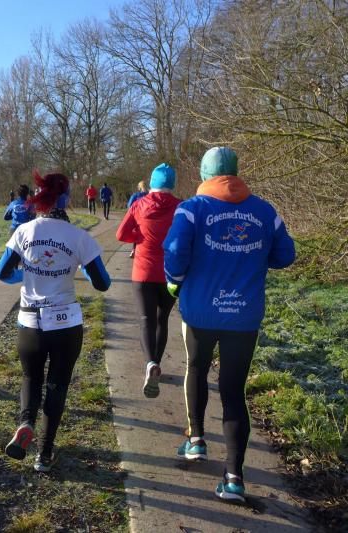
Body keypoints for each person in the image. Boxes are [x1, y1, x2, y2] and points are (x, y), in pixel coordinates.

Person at [164, 147, 295, 503]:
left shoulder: (191, 209)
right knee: (234, 391)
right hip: (244, 315)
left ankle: (196, 441)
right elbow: (286, 255)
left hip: (200, 312)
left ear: (204, 175)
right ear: (236, 172)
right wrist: (254, 257)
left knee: (196, 368)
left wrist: (175, 280)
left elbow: (174, 252)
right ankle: (234, 478)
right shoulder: (265, 211)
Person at [0, 170, 111, 472]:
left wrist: (26, 276)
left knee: (30, 377)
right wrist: (83, 270)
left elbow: (1, 272)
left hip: (30, 322)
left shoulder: (24, 231)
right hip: (65, 323)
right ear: (67, 198)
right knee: (57, 385)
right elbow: (102, 283)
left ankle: (26, 423)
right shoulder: (79, 237)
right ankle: (44, 454)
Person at [115, 164, 181, 399]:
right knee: (162, 320)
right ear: (172, 184)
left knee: (146, 320)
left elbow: (121, 234)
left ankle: (150, 363)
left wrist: (141, 236)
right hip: (170, 274)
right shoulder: (181, 207)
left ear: (152, 183)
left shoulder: (139, 204)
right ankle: (157, 365)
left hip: (143, 273)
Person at [127, 181, 149, 258]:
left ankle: (134, 250)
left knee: (137, 233)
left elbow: (129, 206)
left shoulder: (135, 195)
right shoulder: (150, 195)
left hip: (138, 218)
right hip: (149, 218)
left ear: (139, 187)